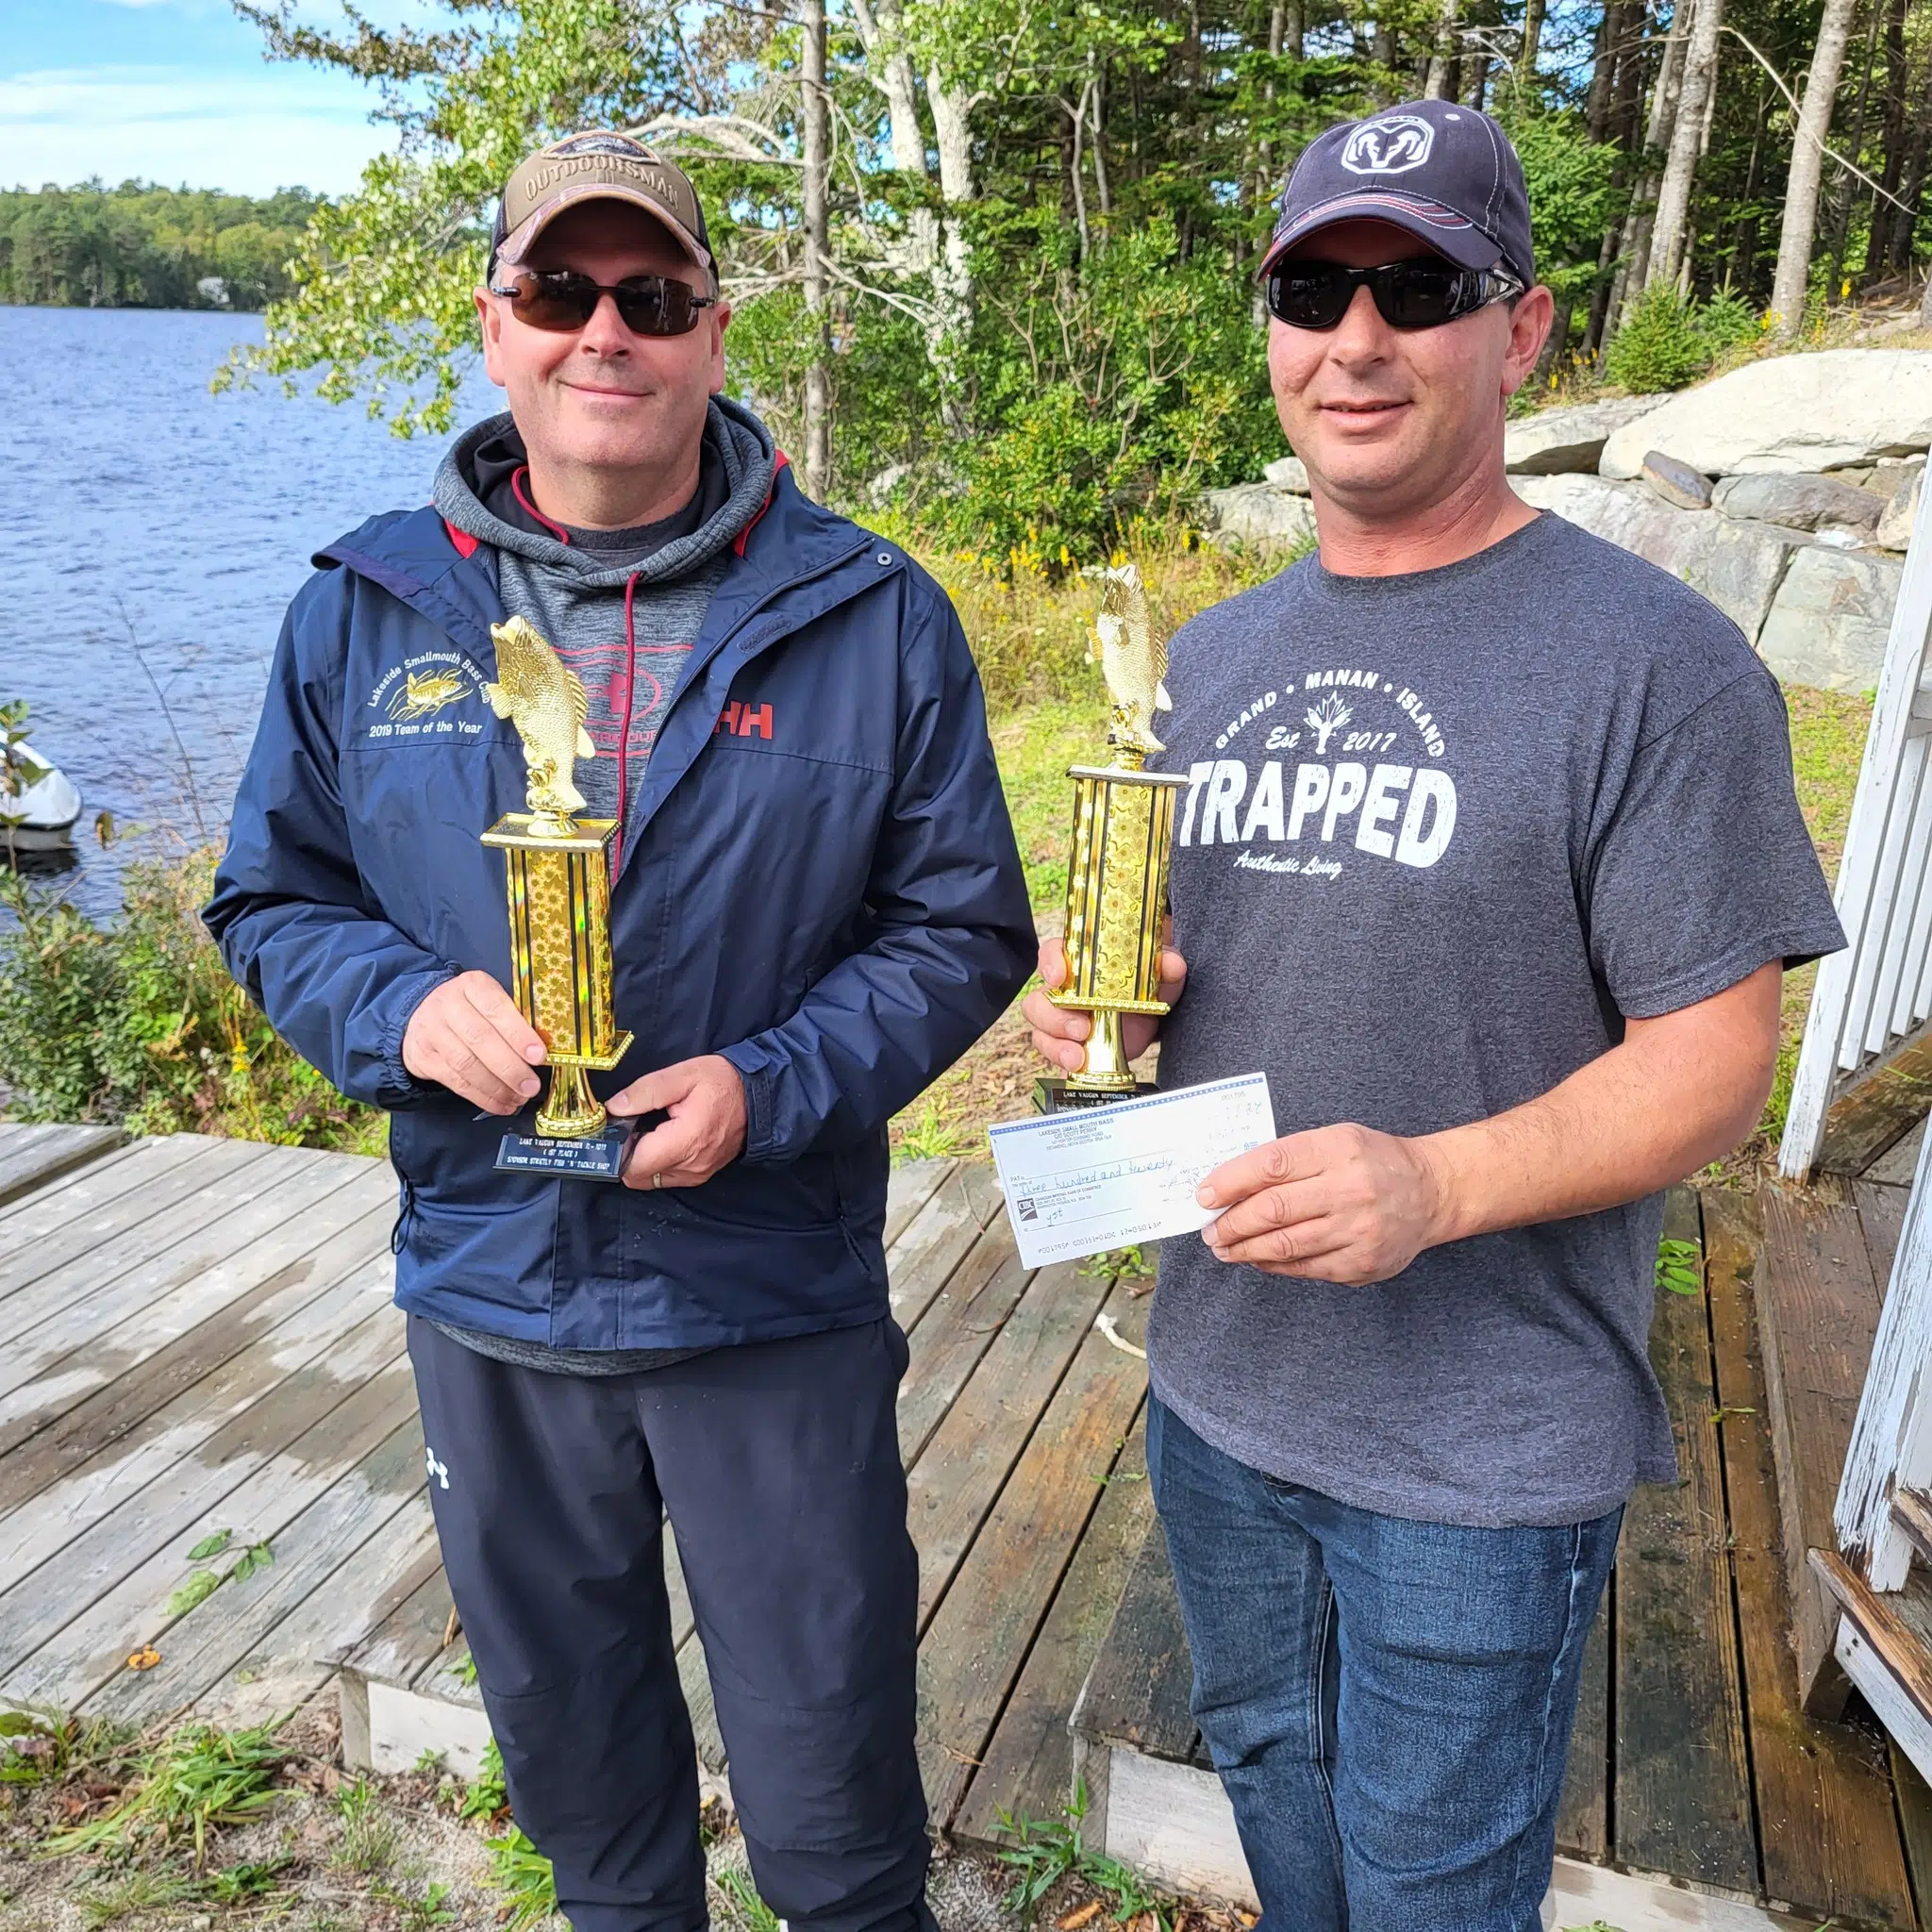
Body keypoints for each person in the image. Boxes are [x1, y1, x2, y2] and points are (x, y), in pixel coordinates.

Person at [1025, 99, 1844, 1931]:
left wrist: (1432, 1186)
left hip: (1479, 1446)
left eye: (1417, 284)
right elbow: (1179, 994)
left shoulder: (1654, 667)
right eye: (1313, 286)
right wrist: (1094, 1033)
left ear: (1521, 326)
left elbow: (1716, 1066)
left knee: (1434, 1890)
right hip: (1219, 1393)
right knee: (1278, 1804)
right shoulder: (1214, 656)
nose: (1357, 334)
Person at [207, 128, 1035, 1932]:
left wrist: (771, 1080)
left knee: (833, 1806)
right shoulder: (361, 608)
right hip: (493, 1293)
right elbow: (270, 902)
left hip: (766, 1297)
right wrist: (405, 1004)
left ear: (713, 335)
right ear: (495, 329)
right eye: (560, 291)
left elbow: (964, 927)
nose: (606, 333)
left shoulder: (872, 613)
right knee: (589, 1811)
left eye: (649, 296)